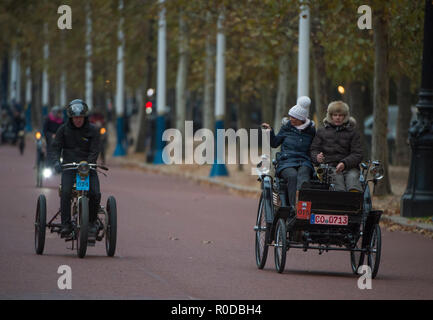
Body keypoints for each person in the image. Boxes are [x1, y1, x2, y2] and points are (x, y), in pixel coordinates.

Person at [49, 99, 101, 237]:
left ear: (85, 117)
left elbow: (95, 150)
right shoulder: (63, 130)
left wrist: (88, 164)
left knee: (95, 193)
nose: (78, 120)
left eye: (81, 117)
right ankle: (65, 224)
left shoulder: (94, 130)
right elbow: (55, 148)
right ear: (71, 118)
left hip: (87, 168)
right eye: (75, 117)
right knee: (65, 192)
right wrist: (55, 162)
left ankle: (92, 222)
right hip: (69, 167)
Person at [262, 96, 316, 206]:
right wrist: (270, 132)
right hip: (286, 162)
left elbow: (315, 147)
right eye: (290, 116)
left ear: (301, 119)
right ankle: (294, 207)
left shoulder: (311, 131)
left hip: (304, 161)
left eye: (294, 118)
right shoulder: (286, 127)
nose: (291, 119)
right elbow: (275, 143)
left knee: (304, 175)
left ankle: (303, 204)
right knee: (292, 176)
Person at [310, 100, 363, 192]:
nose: (338, 118)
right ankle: (341, 204)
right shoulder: (322, 131)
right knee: (338, 184)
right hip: (329, 167)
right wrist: (317, 157)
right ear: (330, 116)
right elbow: (314, 149)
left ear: (345, 116)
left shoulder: (353, 132)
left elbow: (358, 154)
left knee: (353, 181)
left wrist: (344, 163)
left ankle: (355, 204)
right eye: (335, 115)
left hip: (350, 167)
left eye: (340, 115)